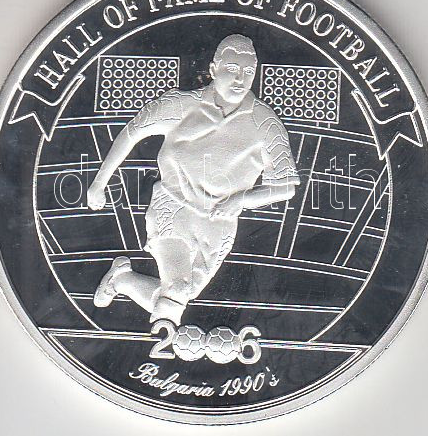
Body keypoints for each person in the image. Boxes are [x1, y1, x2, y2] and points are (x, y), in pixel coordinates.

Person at [87, 34, 300, 325]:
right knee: (177, 289)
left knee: (178, 296)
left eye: (248, 71)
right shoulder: (182, 105)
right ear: (213, 69)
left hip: (219, 224)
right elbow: (132, 132)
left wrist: (241, 199)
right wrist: (99, 183)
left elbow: (285, 186)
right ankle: (161, 336)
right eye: (232, 69)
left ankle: (123, 280)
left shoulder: (265, 123)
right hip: (174, 207)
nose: (240, 79)